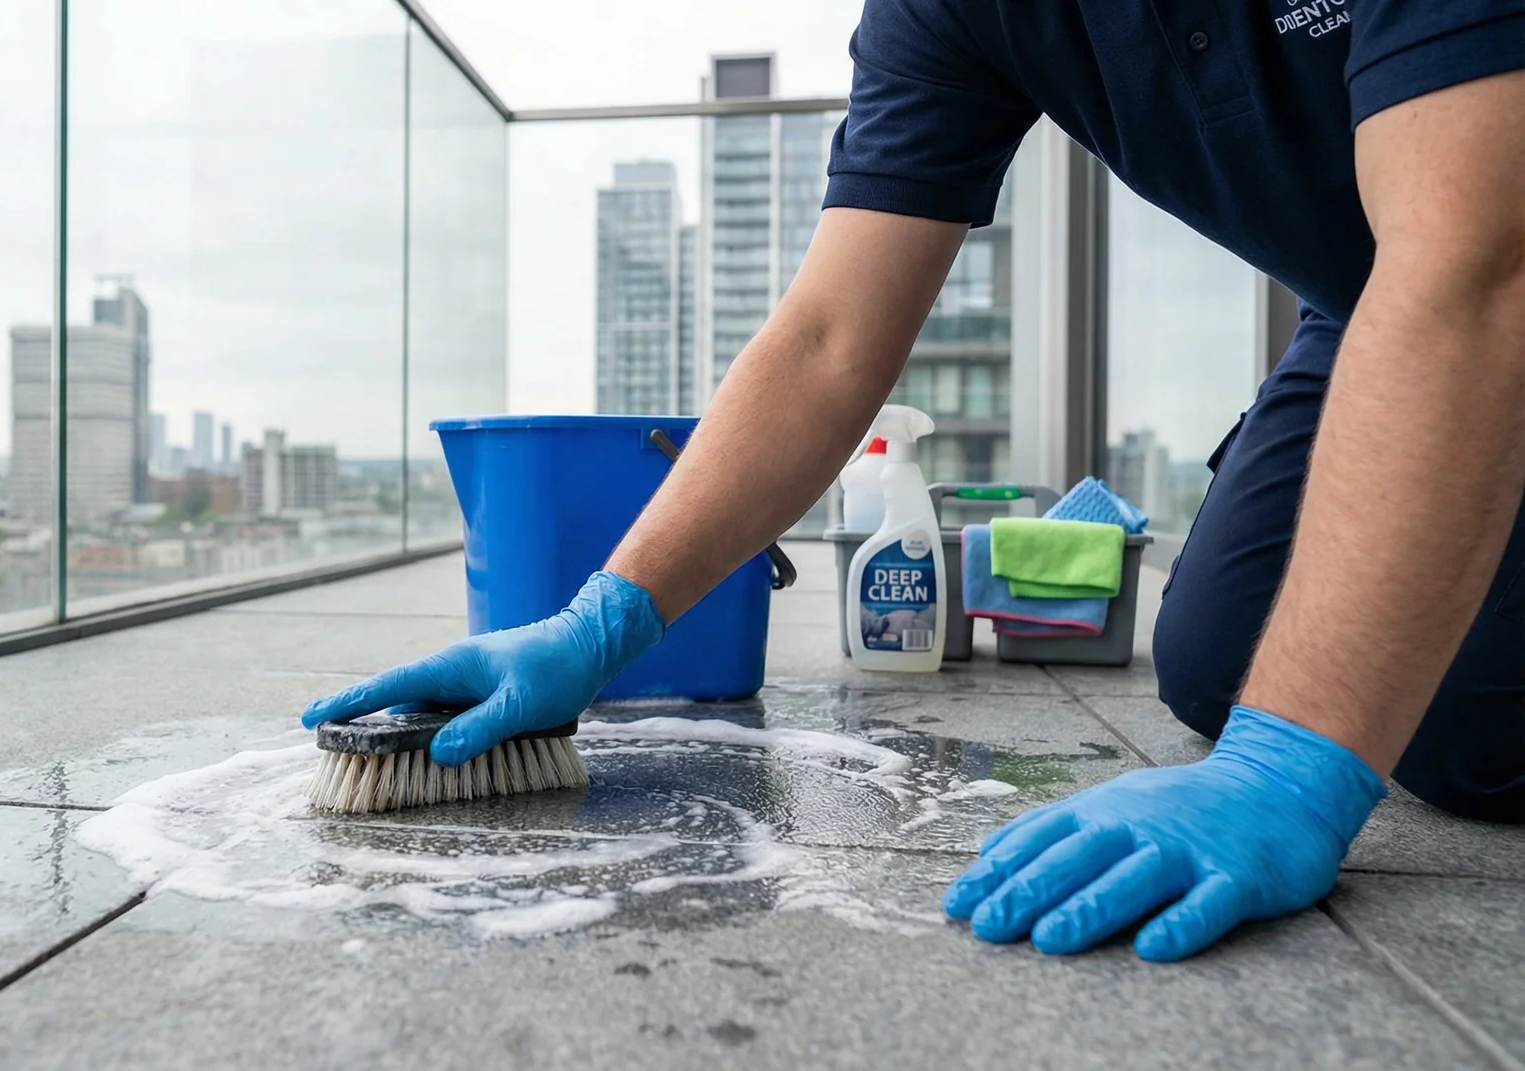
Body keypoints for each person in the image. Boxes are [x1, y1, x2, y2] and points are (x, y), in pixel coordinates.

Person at [303, 2, 1525, 961]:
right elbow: (829, 339)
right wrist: (601, 619)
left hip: (1485, 248)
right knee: (1224, 659)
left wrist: (1292, 762)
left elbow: (1476, 254)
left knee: (1455, 724)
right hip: (1364, 299)